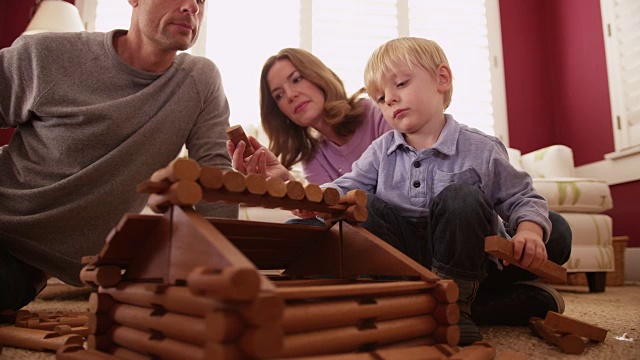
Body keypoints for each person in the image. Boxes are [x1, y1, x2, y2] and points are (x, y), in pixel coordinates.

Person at [233, 37, 572, 346]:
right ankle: (442, 302)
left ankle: (454, 305)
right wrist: (306, 200)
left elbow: (519, 197)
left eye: (401, 85)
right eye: (380, 98)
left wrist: (529, 229)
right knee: (364, 207)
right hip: (403, 255)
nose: (390, 99)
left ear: (442, 79)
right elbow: (343, 189)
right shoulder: (379, 150)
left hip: (463, 253)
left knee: (463, 198)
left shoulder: (480, 148)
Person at [0, 0, 237, 311]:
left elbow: (213, 181)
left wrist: (229, 280)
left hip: (22, 269)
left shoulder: (200, 81)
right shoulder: (47, 54)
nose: (192, 5)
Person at [227, 47, 391, 186]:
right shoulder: (313, 158)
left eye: (297, 79)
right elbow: (328, 212)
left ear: (317, 76)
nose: (290, 95)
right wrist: (286, 179)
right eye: (279, 95)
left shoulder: (375, 112)